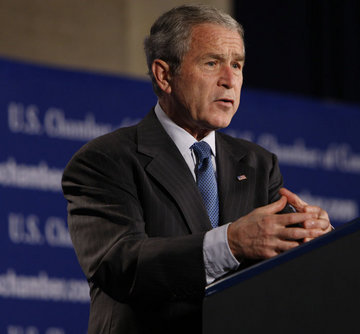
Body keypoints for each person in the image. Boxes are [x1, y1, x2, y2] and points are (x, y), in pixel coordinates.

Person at [61, 4, 331, 334]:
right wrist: (230, 243)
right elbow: (118, 264)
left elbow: (283, 276)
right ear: (164, 75)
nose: (230, 80)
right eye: (212, 63)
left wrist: (313, 241)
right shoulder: (107, 159)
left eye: (237, 64)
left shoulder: (259, 164)